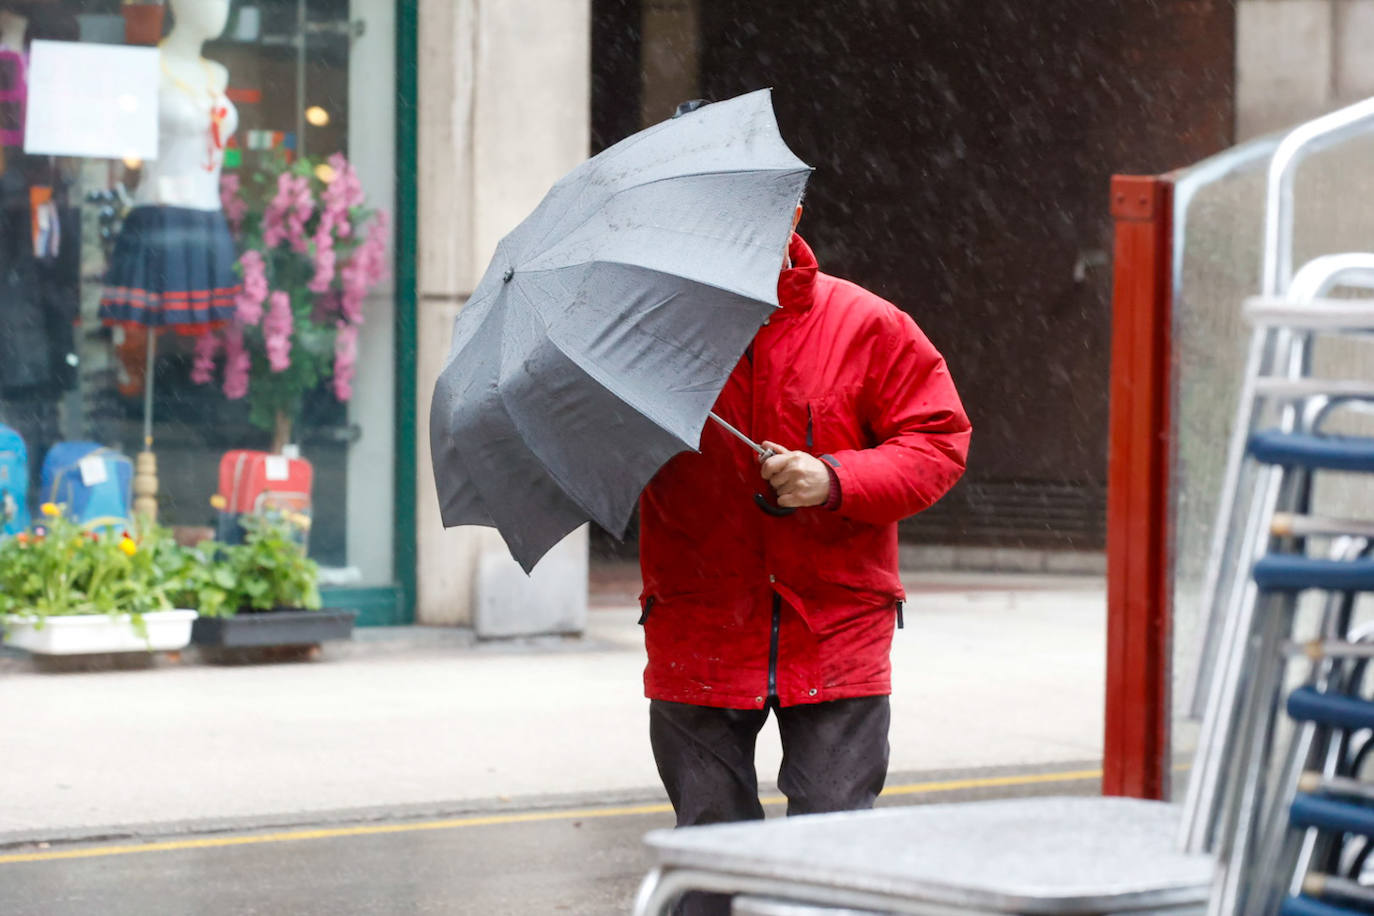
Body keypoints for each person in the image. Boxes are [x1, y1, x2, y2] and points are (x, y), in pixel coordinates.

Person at [637, 202, 971, 915]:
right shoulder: (646, 336)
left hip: (835, 626)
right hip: (697, 627)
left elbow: (938, 442)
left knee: (832, 857)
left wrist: (835, 479)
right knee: (707, 860)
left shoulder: (867, 325)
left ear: (789, 208)